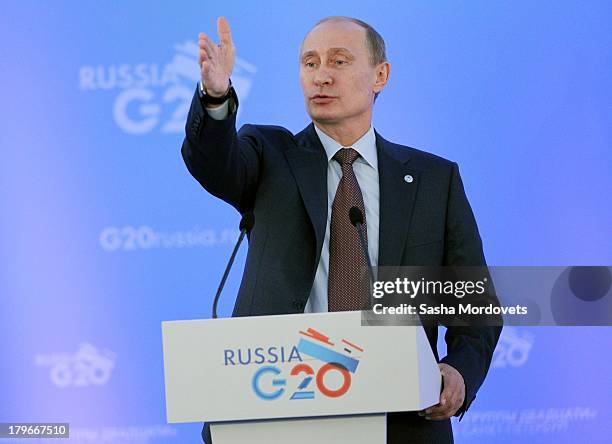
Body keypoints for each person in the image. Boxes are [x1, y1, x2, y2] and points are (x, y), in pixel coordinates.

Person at [182, 15, 502, 444]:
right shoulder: (269, 154)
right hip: (274, 407)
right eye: (309, 63)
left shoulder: (433, 179)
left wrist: (460, 370)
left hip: (399, 415)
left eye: (339, 61)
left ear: (380, 75)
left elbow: (473, 303)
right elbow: (213, 163)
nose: (322, 76)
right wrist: (215, 97)